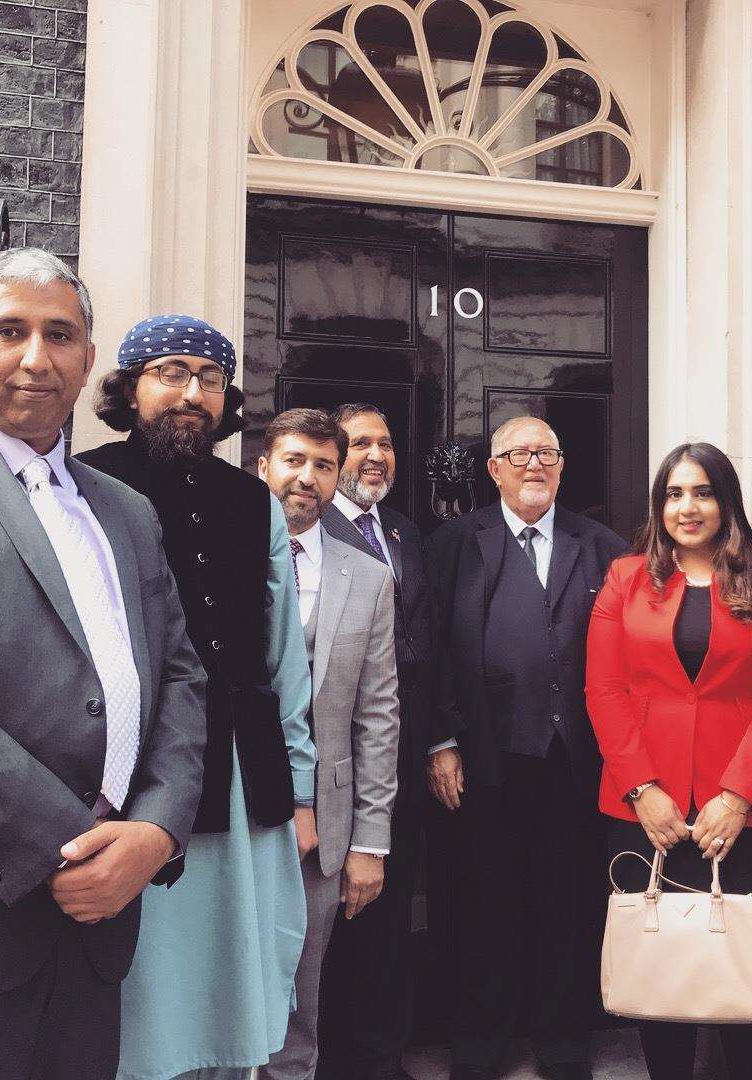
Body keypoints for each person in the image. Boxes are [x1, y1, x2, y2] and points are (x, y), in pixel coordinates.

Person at [0, 248, 207, 1080]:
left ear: (89, 362)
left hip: (100, 931)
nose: (34, 357)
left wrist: (155, 832)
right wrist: (67, 843)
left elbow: (183, 678)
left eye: (60, 335)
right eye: (8, 331)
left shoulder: (125, 510)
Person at [77, 315, 316, 1080]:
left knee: (236, 969)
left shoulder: (255, 501)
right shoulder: (86, 483)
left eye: (210, 379)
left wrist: (301, 787)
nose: (192, 393)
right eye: (171, 373)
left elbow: (284, 658)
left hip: (246, 774)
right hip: (131, 777)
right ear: (129, 386)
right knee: (144, 980)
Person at [586, 441, 752, 1080]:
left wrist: (738, 795)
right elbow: (603, 689)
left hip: (750, 814)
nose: (688, 508)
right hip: (643, 811)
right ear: (659, 506)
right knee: (660, 978)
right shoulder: (624, 578)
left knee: (746, 973)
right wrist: (642, 789)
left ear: (727, 502)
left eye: (703, 492)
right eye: (674, 494)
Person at [424, 416, 626, 1080]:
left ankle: (564, 1044)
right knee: (484, 906)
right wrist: (441, 740)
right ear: (493, 468)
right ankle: (480, 1046)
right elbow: (429, 653)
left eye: (546, 452)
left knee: (566, 907)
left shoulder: (601, 546)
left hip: (574, 763)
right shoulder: (454, 543)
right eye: (518, 453)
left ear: (563, 466)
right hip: (484, 762)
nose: (533, 463)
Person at [258, 408, 401, 1080]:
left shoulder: (367, 576)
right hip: (227, 816)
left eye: (321, 465)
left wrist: (370, 841)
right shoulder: (219, 557)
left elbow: (378, 715)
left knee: (300, 997)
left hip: (328, 831)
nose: (306, 478)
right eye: (293, 460)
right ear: (264, 466)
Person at [318, 403, 440, 1080]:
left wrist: (437, 739)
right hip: (336, 755)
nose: (376, 455)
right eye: (361, 442)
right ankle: (330, 1057)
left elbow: (425, 639)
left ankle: (379, 1054)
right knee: (334, 913)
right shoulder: (308, 524)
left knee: (390, 911)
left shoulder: (402, 530)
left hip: (400, 751)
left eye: (387, 443)